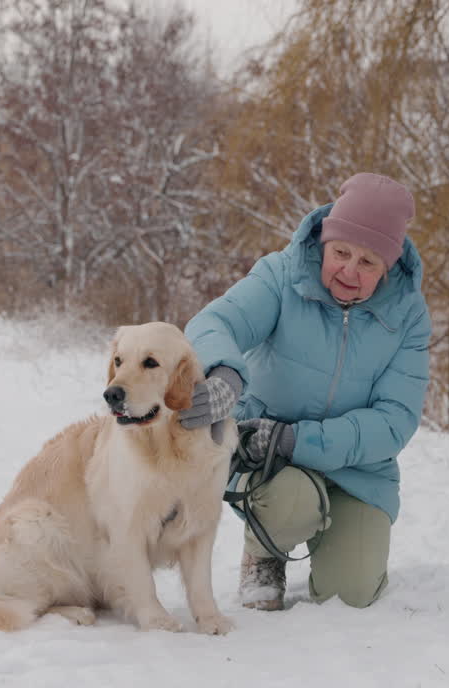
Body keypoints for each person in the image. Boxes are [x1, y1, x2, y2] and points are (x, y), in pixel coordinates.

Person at [178, 172, 431, 610]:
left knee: (351, 594)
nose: (350, 270)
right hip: (270, 460)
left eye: (369, 262)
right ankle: (265, 552)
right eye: (341, 252)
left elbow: (395, 421)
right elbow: (213, 323)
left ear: (388, 267)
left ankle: (340, 545)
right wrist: (223, 373)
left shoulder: (408, 315)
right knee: (289, 502)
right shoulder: (281, 275)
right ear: (324, 241)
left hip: (358, 472)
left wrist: (299, 440)